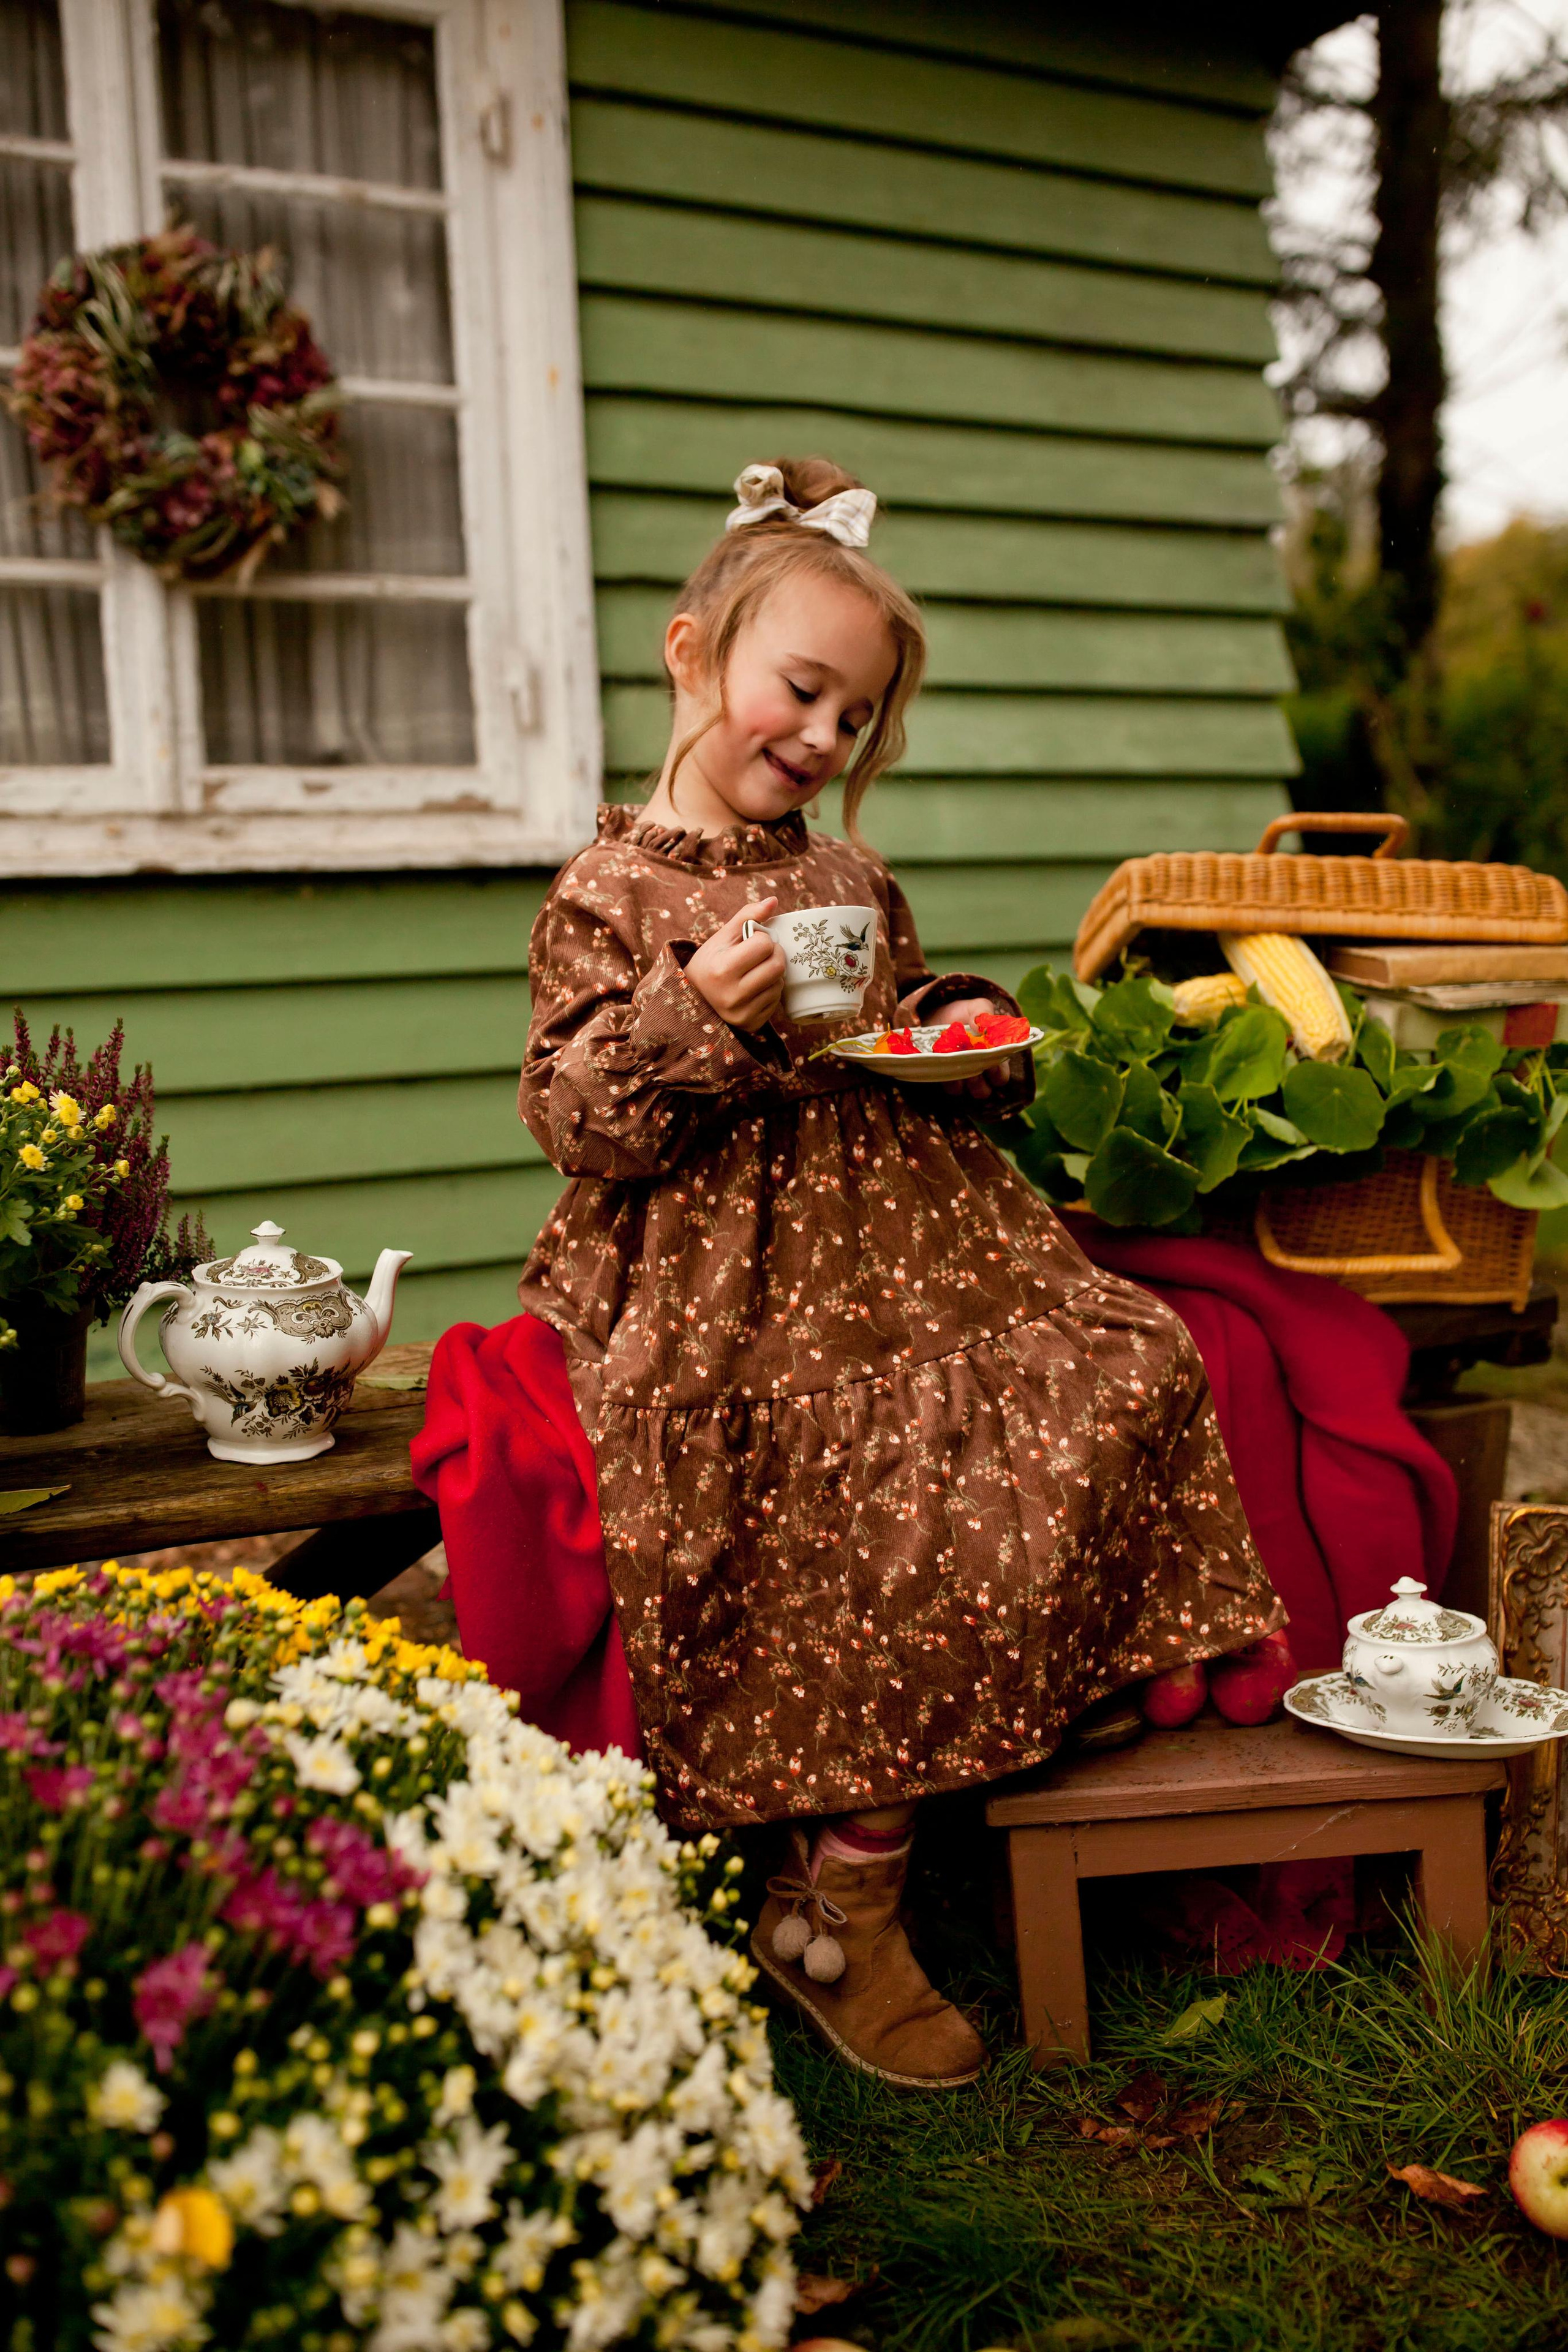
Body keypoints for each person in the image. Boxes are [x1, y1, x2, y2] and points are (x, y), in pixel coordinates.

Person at [510, 459, 1284, 2089]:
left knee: (1123, 1357)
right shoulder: (608, 889)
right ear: (690, 652)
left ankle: (884, 1846)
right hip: (730, 1270)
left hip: (916, 1237)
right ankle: (831, 1900)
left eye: (855, 718)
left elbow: (909, 1020)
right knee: (841, 1469)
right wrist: (698, 1018)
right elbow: (576, 1118)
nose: (821, 738)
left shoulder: (850, 876)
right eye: (800, 689)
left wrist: (959, 1033)